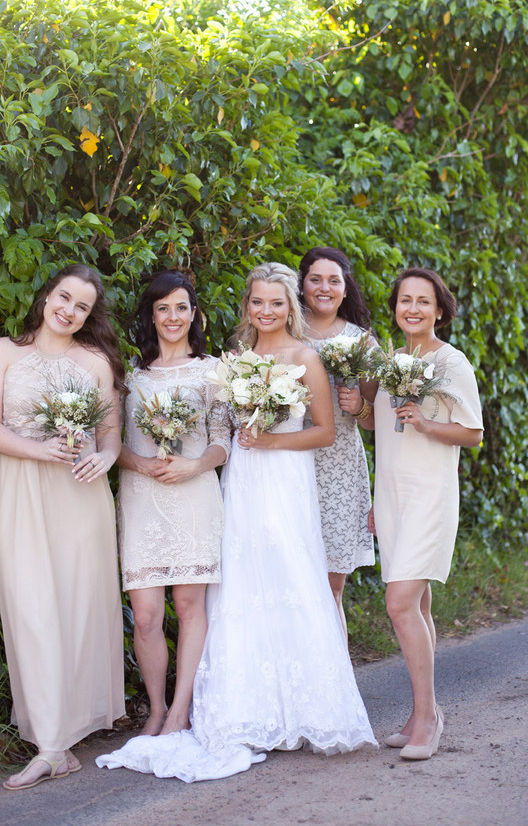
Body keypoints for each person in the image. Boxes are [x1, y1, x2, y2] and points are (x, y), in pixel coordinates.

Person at [97, 262, 377, 782]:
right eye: (257, 302)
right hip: (243, 481)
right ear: (246, 306)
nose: (266, 311)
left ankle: (306, 710)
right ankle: (247, 710)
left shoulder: (305, 357)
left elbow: (322, 432)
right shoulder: (233, 361)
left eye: (276, 302)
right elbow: (220, 424)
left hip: (285, 479)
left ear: (289, 305)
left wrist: (270, 440)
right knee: (242, 583)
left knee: (292, 575)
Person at [0, 264, 126, 790]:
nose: (69, 310)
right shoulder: (4, 352)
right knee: (31, 606)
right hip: (20, 488)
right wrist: (39, 449)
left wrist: (106, 459)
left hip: (79, 493)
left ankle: (60, 742)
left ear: (89, 315)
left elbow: (111, 432)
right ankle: (51, 743)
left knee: (77, 606)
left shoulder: (95, 361)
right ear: (47, 295)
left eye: (82, 306)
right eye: (64, 297)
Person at [366, 268, 483, 761]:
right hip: (393, 494)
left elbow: (472, 433)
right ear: (395, 307)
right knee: (420, 606)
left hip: (430, 495)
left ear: (439, 309)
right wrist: (359, 408)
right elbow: (386, 432)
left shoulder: (451, 362)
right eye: (404, 300)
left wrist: (430, 423)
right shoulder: (394, 360)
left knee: (399, 604)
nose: (412, 308)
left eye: (423, 301)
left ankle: (429, 718)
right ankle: (420, 714)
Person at [117, 271, 231, 737]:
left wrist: (195, 466)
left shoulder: (213, 370)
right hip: (142, 497)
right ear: (150, 314)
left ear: (194, 313)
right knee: (145, 615)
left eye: (181, 307)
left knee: (189, 606)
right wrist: (142, 466)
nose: (172, 317)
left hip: (194, 495)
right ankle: (157, 708)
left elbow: (224, 442)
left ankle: (182, 709)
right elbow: (110, 444)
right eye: (162, 308)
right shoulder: (129, 374)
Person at [299, 246, 377, 638]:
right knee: (293, 584)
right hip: (290, 464)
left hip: (340, 469)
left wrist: (360, 405)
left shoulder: (361, 343)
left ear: (346, 288)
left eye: (334, 280)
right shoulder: (285, 330)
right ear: (303, 284)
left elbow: (377, 422)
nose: (324, 288)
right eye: (316, 279)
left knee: (330, 586)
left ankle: (336, 692)